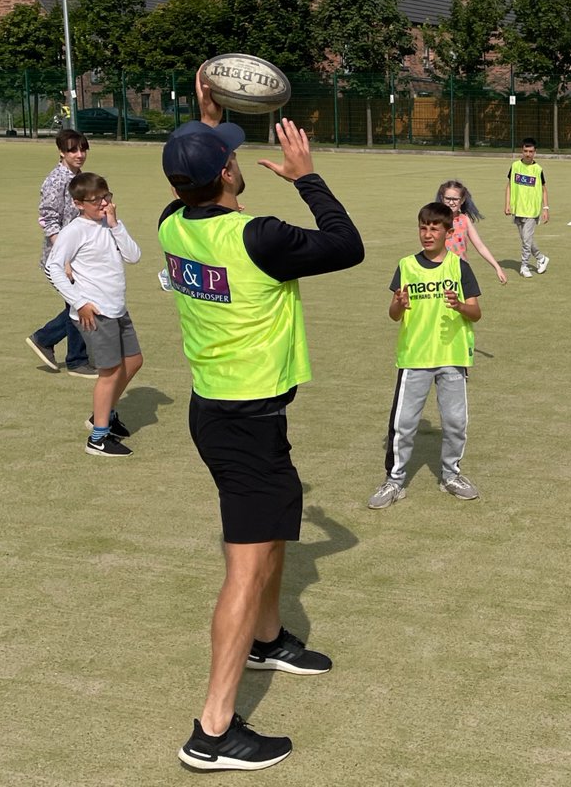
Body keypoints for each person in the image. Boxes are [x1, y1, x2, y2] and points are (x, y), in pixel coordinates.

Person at [163, 75, 364, 772]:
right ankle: (213, 731)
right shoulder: (259, 236)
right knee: (243, 569)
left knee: (280, 525)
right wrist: (308, 178)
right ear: (225, 173)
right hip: (242, 421)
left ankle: (269, 639)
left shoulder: (173, 221)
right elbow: (347, 245)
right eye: (226, 152)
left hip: (225, 411)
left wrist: (206, 117)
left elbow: (193, 179)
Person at [368, 201, 483, 510]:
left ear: (448, 231)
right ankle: (394, 481)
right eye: (423, 227)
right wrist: (398, 304)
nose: (428, 234)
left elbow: (476, 312)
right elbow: (394, 314)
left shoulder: (459, 266)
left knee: (455, 421)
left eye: (434, 228)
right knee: (403, 423)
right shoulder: (406, 265)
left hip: (451, 356)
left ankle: (451, 475)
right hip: (414, 358)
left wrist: (459, 305)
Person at [45, 172, 143, 457]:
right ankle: (98, 439)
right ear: (78, 203)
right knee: (110, 372)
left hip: (116, 308)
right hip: (95, 312)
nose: (104, 203)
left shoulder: (108, 223)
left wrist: (115, 224)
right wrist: (79, 302)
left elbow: (133, 256)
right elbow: (54, 267)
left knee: (134, 361)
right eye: (97, 200)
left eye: (107, 196)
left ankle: (103, 414)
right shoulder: (74, 231)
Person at [25, 128, 95, 377]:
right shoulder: (55, 180)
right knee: (79, 303)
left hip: (78, 256)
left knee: (79, 303)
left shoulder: (80, 177)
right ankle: (72, 356)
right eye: (73, 150)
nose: (79, 154)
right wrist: (63, 258)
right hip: (59, 259)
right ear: (61, 152)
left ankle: (56, 345)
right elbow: (48, 220)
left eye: (83, 148)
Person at [436, 179, 507, 284]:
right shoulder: (436, 219)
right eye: (448, 198)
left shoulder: (464, 219)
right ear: (442, 198)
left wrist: (497, 267)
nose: (451, 202)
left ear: (462, 200)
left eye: (455, 199)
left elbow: (480, 246)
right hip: (439, 270)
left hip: (460, 270)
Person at [504, 137, 549, 278]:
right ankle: (541, 258)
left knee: (526, 240)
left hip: (532, 210)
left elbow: (543, 190)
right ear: (521, 151)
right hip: (518, 209)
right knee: (526, 239)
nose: (528, 154)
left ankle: (524, 266)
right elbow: (509, 186)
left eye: (531, 151)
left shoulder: (538, 169)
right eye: (525, 151)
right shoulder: (515, 166)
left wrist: (545, 208)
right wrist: (507, 204)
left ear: (535, 152)